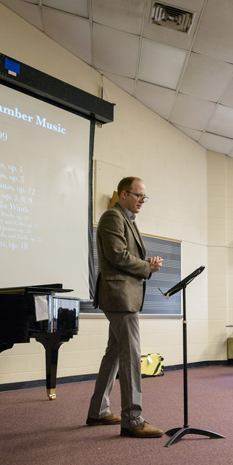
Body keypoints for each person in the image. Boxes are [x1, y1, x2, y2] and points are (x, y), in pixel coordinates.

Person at [87, 177, 165, 438]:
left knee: (114, 353)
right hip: (119, 296)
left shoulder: (127, 219)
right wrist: (147, 267)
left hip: (123, 296)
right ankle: (132, 419)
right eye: (138, 195)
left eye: (145, 197)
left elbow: (122, 254)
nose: (143, 200)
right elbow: (117, 255)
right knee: (131, 356)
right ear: (123, 194)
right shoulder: (113, 217)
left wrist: (146, 264)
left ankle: (98, 410)